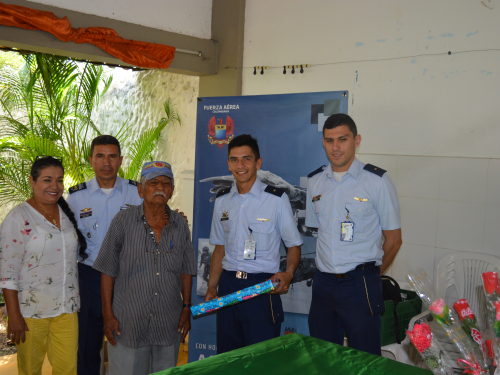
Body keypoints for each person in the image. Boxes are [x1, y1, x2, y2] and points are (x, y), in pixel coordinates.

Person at [305, 113, 402, 356]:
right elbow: (319, 230)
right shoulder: (315, 181)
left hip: (360, 283)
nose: (335, 147)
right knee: (323, 354)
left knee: (364, 357)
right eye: (329, 141)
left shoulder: (377, 182)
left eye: (342, 139)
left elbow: (394, 239)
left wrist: (370, 274)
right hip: (324, 283)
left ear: (356, 140)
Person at [92, 161, 196, 375]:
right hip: (128, 325)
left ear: (172, 191)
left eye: (166, 183)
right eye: (153, 182)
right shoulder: (122, 221)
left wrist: (187, 307)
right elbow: (107, 271)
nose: (160, 187)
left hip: (168, 324)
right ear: (140, 189)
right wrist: (107, 315)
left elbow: (186, 269)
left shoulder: (180, 225)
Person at [205, 134, 303, 354]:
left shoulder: (276, 200)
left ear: (258, 163)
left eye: (246, 159)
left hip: (262, 289)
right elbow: (220, 249)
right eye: (234, 159)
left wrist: (288, 273)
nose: (240, 166)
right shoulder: (222, 201)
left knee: (261, 361)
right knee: (228, 359)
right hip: (229, 287)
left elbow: (293, 245)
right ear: (229, 163)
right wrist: (213, 286)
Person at [0, 156, 87, 374]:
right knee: (30, 370)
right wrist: (14, 316)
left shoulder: (65, 214)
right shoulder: (18, 217)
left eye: (59, 180)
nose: (54, 186)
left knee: (68, 369)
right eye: (47, 180)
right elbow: (7, 271)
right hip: (31, 312)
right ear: (32, 181)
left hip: (67, 309)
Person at [66, 135, 143, 375]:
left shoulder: (136, 193)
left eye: (112, 156)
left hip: (126, 279)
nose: (106, 162)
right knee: (88, 345)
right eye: (100, 156)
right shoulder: (77, 198)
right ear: (91, 160)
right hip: (89, 278)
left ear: (120, 160)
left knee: (127, 343)